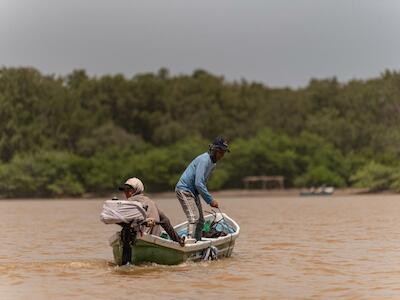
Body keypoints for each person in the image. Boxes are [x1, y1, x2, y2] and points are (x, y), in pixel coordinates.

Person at [175, 137, 229, 242]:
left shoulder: (213, 164)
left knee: (201, 221)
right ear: (215, 150)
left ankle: (198, 242)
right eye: (221, 152)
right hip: (184, 190)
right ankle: (189, 242)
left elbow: (202, 183)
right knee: (194, 218)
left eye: (224, 152)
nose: (222, 155)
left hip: (194, 192)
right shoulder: (204, 160)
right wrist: (210, 200)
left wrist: (206, 197)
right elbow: (198, 183)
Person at [119, 177, 184, 246]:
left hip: (139, 239)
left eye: (129, 190)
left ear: (136, 190)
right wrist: (178, 240)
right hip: (155, 241)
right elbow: (165, 221)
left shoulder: (130, 202)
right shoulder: (151, 202)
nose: (126, 193)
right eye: (124, 190)